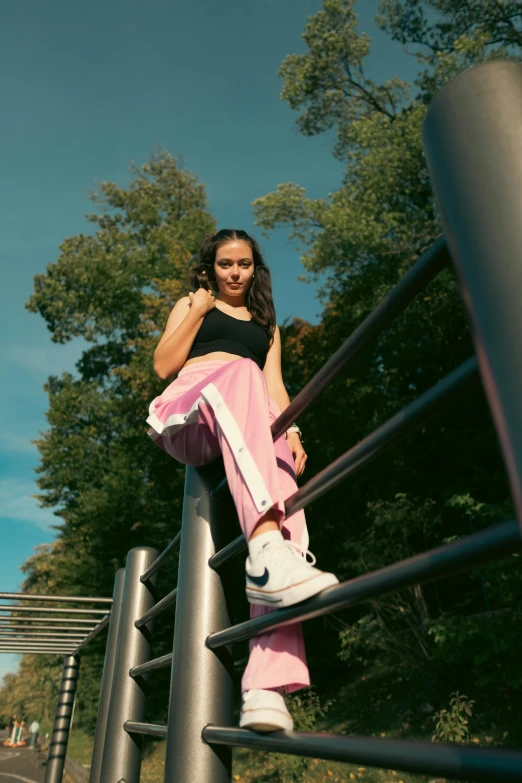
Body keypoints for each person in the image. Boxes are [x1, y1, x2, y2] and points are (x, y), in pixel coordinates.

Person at [147, 228, 338, 732]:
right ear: (210, 267)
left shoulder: (266, 324)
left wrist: (291, 428)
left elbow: (273, 385)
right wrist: (196, 307)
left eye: (245, 264)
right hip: (189, 413)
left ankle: (265, 686)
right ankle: (266, 550)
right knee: (240, 373)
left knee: (286, 496)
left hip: (248, 418)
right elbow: (164, 365)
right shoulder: (194, 303)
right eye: (226, 263)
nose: (235, 272)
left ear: (256, 268)